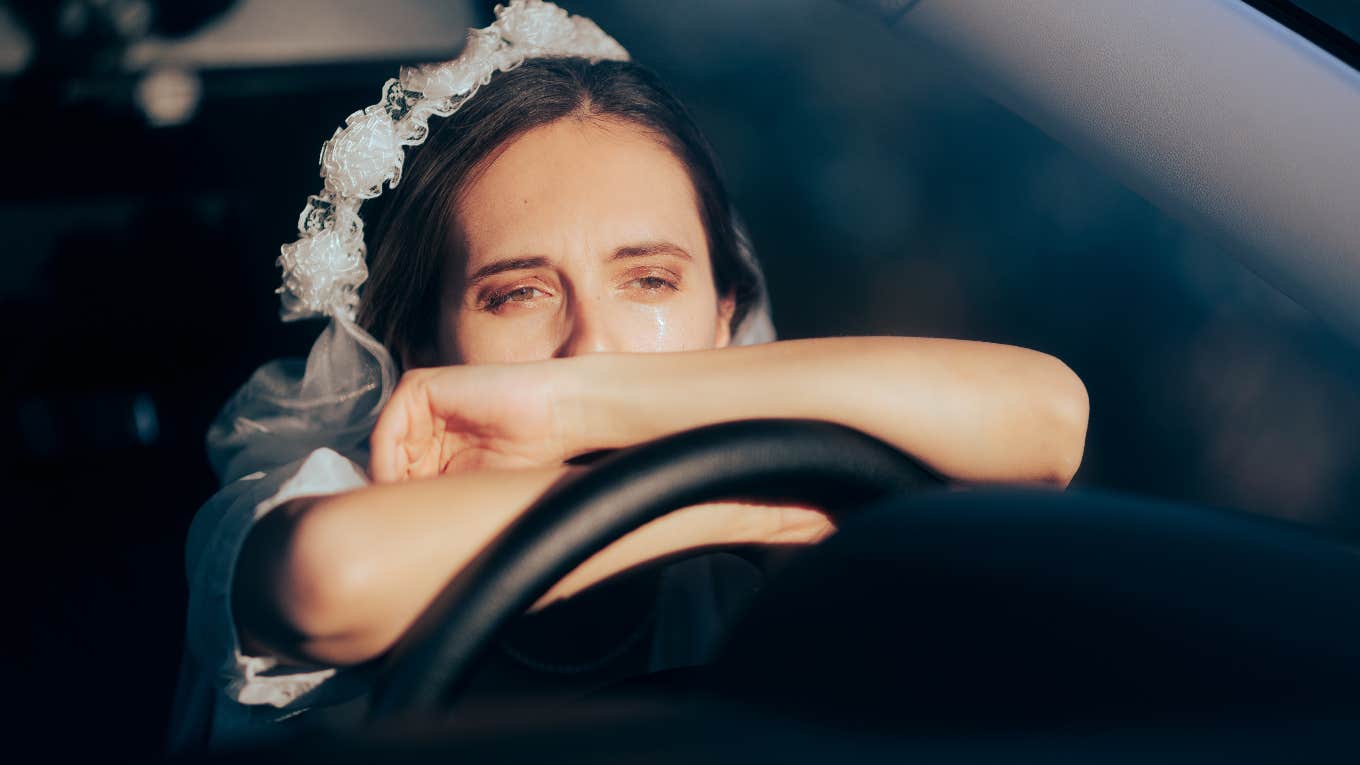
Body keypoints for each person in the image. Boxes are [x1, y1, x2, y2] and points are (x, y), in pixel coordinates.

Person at [167, 0, 1088, 755]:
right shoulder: (323, 494)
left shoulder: (714, 486)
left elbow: (1048, 418)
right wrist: (755, 501)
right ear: (421, 344)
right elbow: (325, 579)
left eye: (649, 280)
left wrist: (573, 404)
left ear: (726, 310)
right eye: (516, 294)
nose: (592, 343)